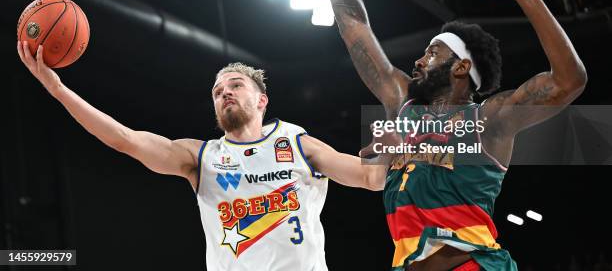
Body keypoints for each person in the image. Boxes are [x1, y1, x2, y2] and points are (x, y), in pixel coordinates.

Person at [317, 0, 587, 271]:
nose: (418, 62)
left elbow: (570, 81)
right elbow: (353, 23)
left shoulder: (489, 121)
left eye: (432, 52)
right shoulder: (401, 100)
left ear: (461, 67)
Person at [15, 48, 388, 271]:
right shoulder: (201, 156)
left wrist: (393, 131)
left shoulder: (297, 142)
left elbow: (372, 179)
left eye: (235, 86)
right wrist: (57, 89)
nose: (224, 93)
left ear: (261, 101)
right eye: (217, 91)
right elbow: (124, 139)